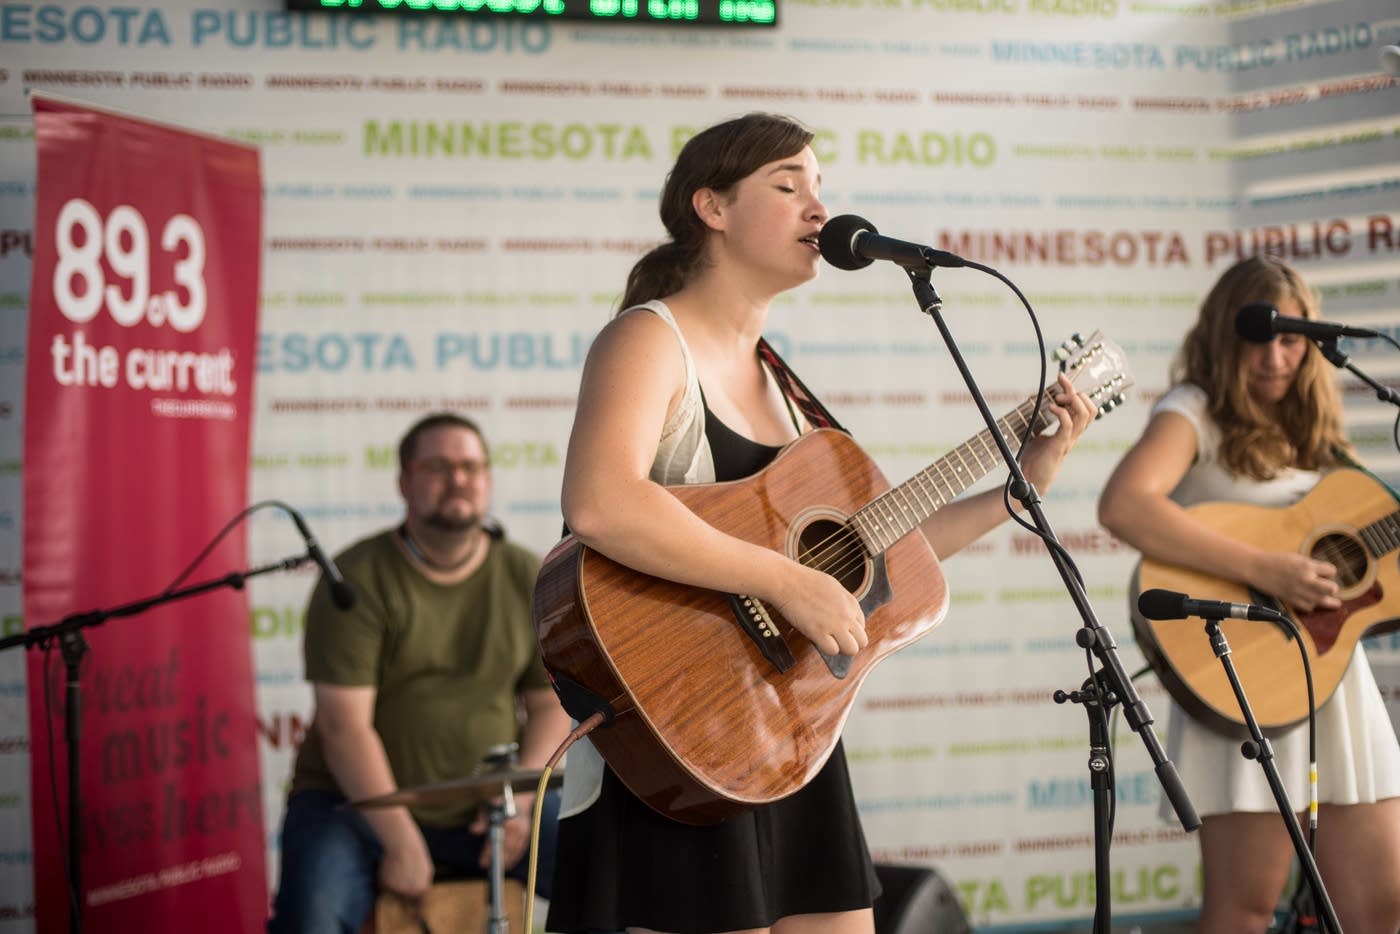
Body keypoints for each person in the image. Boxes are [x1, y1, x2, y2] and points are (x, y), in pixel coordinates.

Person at [544, 112, 1097, 934]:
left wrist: (1019, 492)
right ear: (713, 207)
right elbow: (600, 504)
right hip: (678, 718)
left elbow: (873, 559)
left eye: (820, 188)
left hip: (780, 730)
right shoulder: (649, 339)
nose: (817, 208)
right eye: (787, 184)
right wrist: (783, 579)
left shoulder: (782, 383)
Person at [1097, 255, 1400, 933]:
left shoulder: (1315, 426)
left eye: (1291, 340)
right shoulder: (1193, 410)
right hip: (1242, 674)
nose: (1274, 356)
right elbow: (1124, 506)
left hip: (1334, 682)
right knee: (1244, 910)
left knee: (1379, 910)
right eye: (1257, 338)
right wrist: (1268, 568)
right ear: (1220, 336)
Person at [268, 413, 573, 933]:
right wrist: (400, 840)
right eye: (438, 466)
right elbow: (346, 729)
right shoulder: (356, 580)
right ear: (404, 481)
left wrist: (519, 803)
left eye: (471, 466)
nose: (458, 479)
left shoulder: (527, 574)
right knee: (310, 916)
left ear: (488, 480)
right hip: (355, 806)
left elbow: (548, 704)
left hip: (487, 807)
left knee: (607, 886)